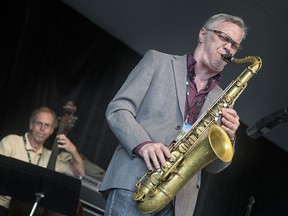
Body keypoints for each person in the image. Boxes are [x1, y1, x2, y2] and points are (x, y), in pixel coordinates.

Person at [99, 13, 245, 216]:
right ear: (203, 34)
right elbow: (118, 109)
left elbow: (215, 166)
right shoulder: (157, 61)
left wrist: (229, 136)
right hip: (134, 183)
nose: (229, 48)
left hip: (178, 203)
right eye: (224, 38)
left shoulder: (225, 99)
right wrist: (144, 145)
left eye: (235, 45)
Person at [0, 106, 85, 215]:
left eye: (47, 125)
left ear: (51, 131)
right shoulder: (11, 141)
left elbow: (79, 173)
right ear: (31, 125)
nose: (42, 128)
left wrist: (73, 150)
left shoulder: (51, 157)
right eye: (39, 123)